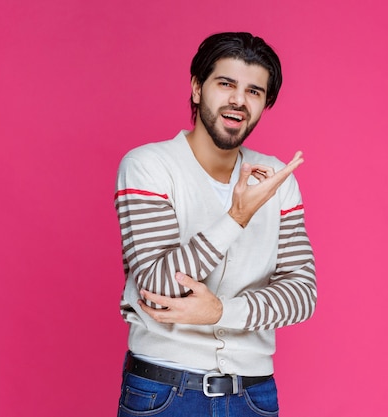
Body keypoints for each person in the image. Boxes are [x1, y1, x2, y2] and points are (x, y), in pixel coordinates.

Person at [114, 31, 317, 417]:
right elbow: (156, 285)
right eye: (226, 84)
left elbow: (302, 294)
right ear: (196, 88)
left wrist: (222, 312)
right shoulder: (148, 167)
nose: (239, 100)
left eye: (254, 92)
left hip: (253, 396)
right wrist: (237, 217)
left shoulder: (278, 177)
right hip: (164, 392)